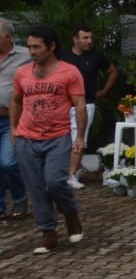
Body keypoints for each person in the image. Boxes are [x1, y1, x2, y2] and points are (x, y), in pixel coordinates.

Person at [10, 26, 87, 254]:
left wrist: (80, 136)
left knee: (54, 181)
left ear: (51, 46)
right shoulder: (22, 73)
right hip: (27, 138)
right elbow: (16, 100)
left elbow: (80, 105)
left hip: (57, 137)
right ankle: (48, 232)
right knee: (35, 188)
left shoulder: (69, 72)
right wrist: (14, 129)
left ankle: (70, 213)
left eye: (37, 47)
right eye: (29, 46)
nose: (31, 51)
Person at [60, 25, 119, 189]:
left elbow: (113, 71)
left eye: (90, 38)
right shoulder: (62, 56)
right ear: (75, 39)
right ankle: (72, 170)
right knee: (62, 139)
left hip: (87, 104)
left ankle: (70, 175)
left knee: (79, 138)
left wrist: (104, 90)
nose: (89, 41)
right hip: (63, 103)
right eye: (85, 38)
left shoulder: (97, 57)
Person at [0, 18, 32, 221]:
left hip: (10, 119)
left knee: (8, 163)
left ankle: (20, 198)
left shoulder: (26, 55)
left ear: (7, 36)